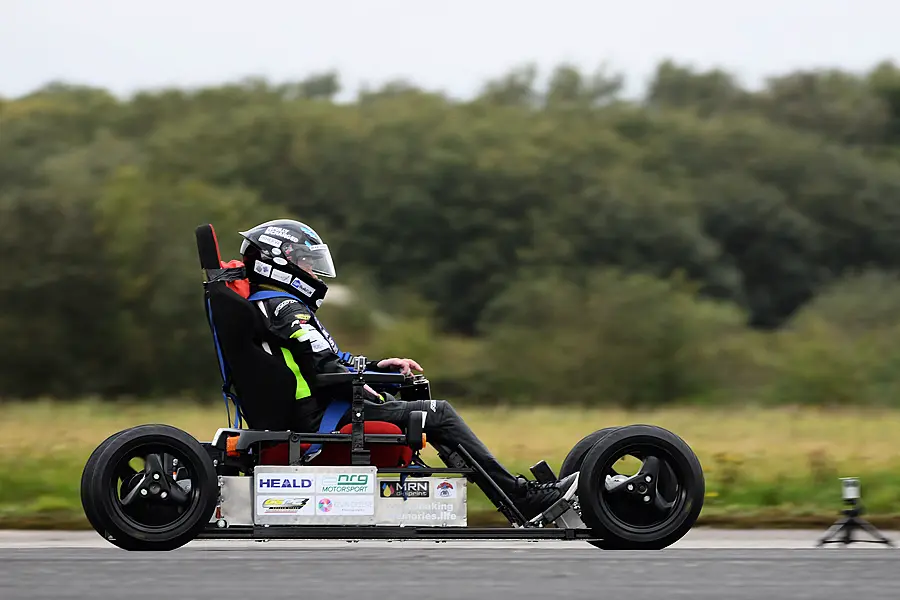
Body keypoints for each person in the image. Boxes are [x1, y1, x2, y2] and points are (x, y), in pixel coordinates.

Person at [237, 218, 578, 520]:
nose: (313, 272)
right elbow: (326, 368)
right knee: (440, 414)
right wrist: (366, 383)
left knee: (419, 405)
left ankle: (511, 495)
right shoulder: (285, 308)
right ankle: (521, 500)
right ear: (278, 263)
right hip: (321, 418)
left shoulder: (271, 305)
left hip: (319, 409)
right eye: (306, 264)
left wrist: (377, 367)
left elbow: (324, 360)